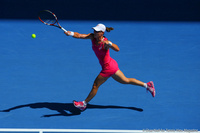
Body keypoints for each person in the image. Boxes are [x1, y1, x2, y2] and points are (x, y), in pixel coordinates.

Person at [64, 23, 155, 111]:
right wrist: (70, 33)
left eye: (97, 31)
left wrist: (110, 44)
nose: (95, 32)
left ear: (102, 33)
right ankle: (147, 85)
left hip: (108, 68)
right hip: (112, 64)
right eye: (95, 30)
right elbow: (79, 35)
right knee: (125, 80)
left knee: (96, 85)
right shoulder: (92, 37)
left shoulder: (105, 43)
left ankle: (83, 104)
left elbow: (117, 49)